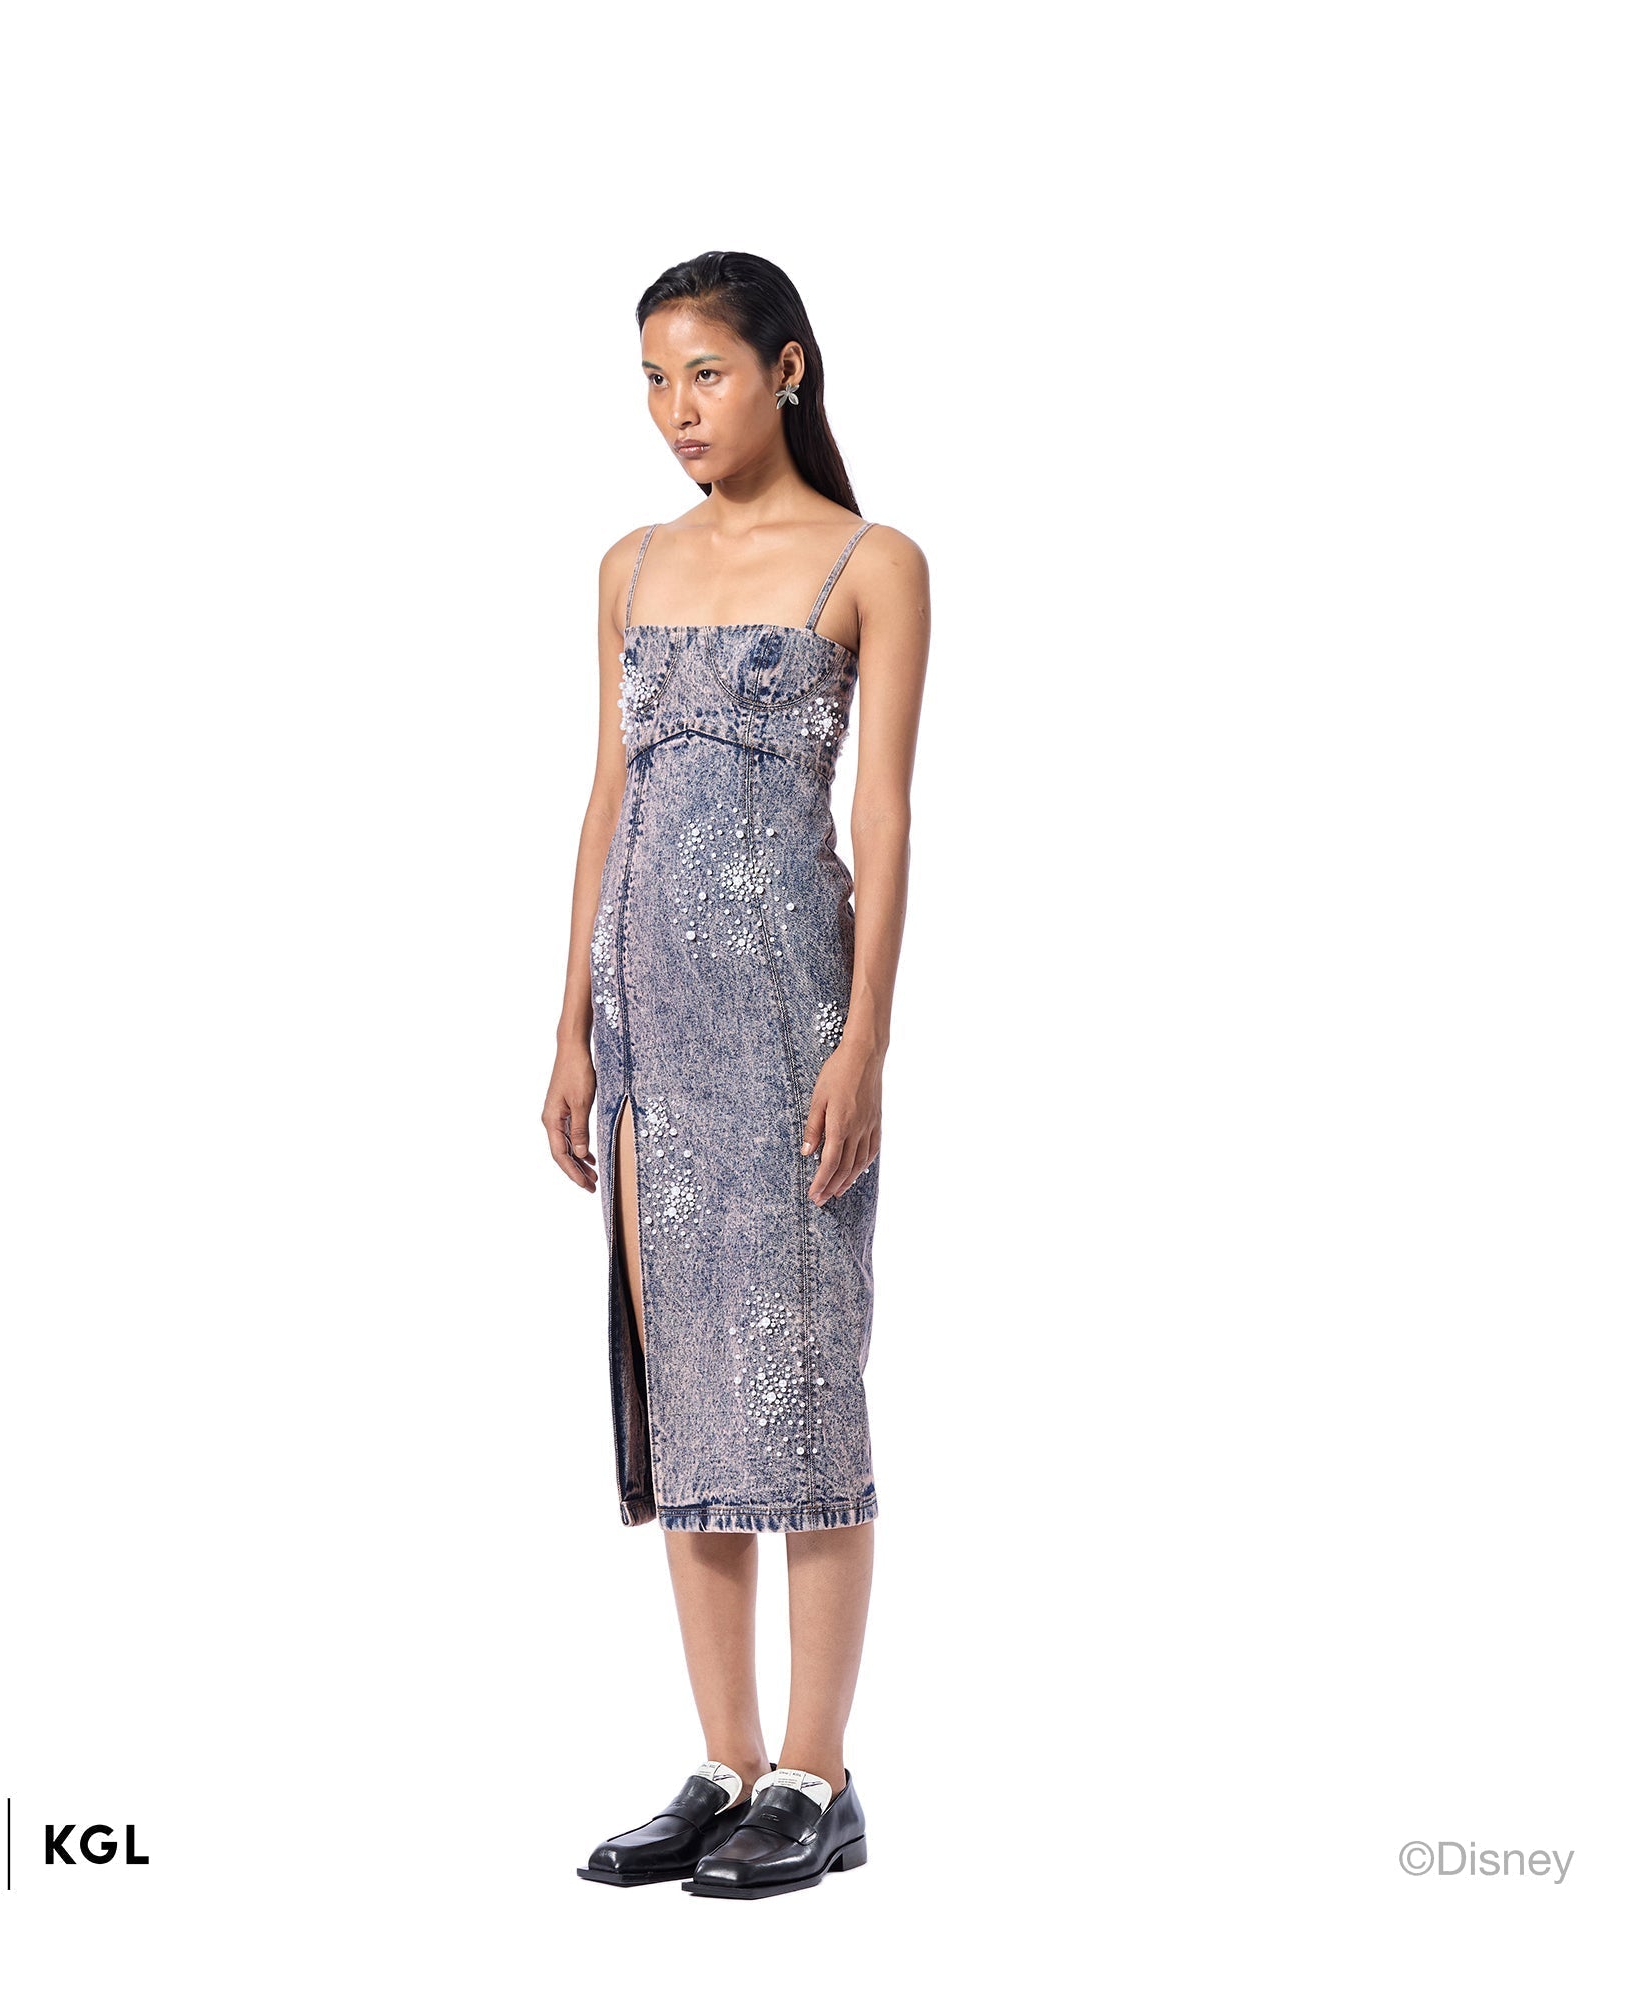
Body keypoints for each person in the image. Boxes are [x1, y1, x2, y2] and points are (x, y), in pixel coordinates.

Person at [542, 250, 930, 1900]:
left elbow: (884, 817)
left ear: (785, 367)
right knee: (688, 1384)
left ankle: (818, 1780)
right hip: (650, 1027)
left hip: (788, 1028)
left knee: (806, 1381)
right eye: (652, 379)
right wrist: (571, 1025)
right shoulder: (630, 565)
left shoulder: (872, 561)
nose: (675, 411)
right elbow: (608, 797)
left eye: (703, 372)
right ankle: (725, 1762)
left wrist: (866, 1039)